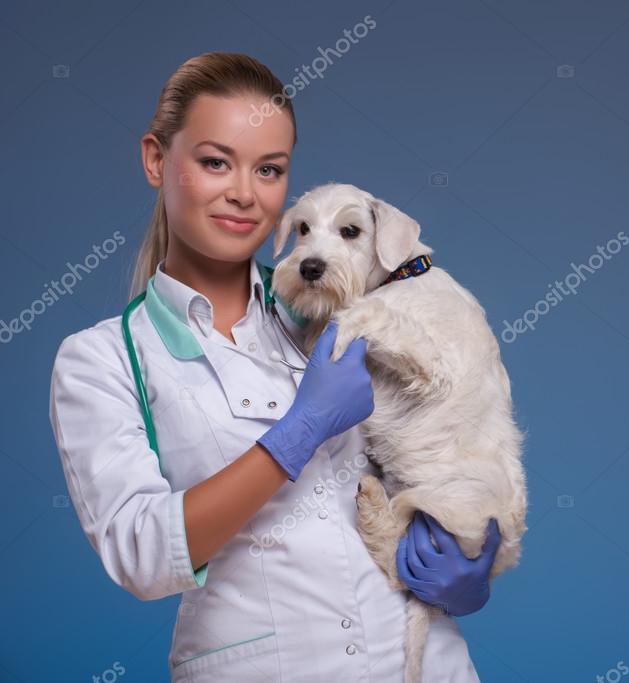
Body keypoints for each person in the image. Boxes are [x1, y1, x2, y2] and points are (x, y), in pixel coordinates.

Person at [47, 51, 499, 682]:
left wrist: (471, 560)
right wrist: (301, 428)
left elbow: (445, 431)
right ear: (156, 160)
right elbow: (143, 555)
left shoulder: (350, 311)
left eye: (269, 169)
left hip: (426, 664)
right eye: (214, 162)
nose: (242, 193)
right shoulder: (103, 360)